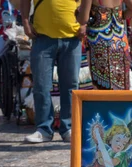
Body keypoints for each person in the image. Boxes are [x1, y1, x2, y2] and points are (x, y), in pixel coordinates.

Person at [20, 0, 84, 143]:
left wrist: (85, 23)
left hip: (72, 37)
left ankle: (68, 127)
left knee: (71, 86)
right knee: (41, 86)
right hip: (42, 37)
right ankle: (43, 129)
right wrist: (25, 21)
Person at [76, 0, 132, 90]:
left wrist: (76, 13)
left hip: (99, 43)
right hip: (120, 41)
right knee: (122, 84)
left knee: (102, 87)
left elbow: (83, 19)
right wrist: (119, 16)